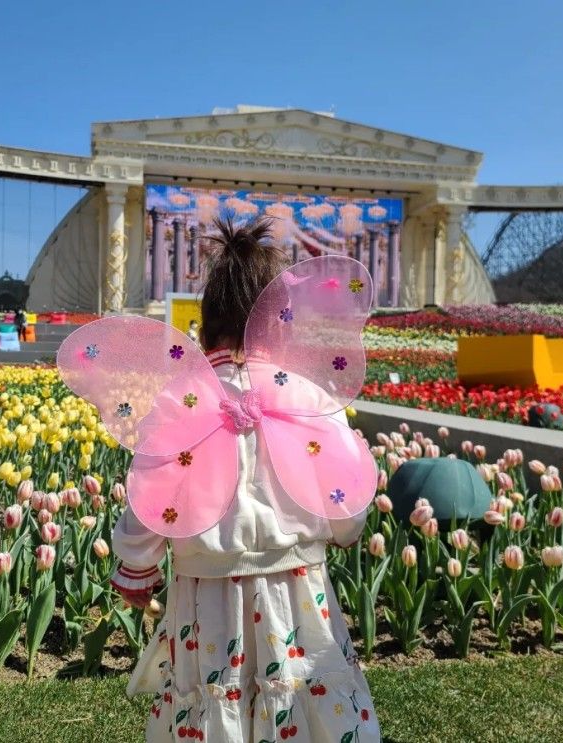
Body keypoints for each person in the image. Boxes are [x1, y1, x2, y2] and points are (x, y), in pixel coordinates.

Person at [109, 217, 380, 742]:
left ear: (206, 324)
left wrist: (137, 567)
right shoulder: (309, 396)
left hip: (205, 595)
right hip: (298, 590)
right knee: (301, 696)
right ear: (282, 324)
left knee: (213, 697)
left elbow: (150, 497)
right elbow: (347, 503)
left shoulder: (178, 400)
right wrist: (341, 531)